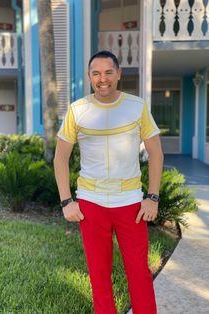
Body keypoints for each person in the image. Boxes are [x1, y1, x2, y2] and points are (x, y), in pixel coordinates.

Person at [54, 50, 163, 314]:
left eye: (108, 72)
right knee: (99, 275)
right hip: (91, 204)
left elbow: (156, 153)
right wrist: (67, 201)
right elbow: (60, 158)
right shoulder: (77, 109)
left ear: (118, 74)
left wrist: (152, 197)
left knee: (139, 273)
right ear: (90, 76)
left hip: (130, 204)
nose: (102, 79)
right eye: (96, 73)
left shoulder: (136, 106)